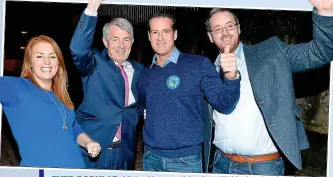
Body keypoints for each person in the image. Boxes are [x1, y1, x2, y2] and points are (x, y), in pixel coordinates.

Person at [205, 0, 333, 175]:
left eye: (230, 26)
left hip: (264, 167)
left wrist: (325, 12)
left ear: (239, 28)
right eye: (217, 29)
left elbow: (320, 52)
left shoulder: (270, 54)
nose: (225, 32)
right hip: (221, 164)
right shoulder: (207, 71)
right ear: (210, 36)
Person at [137, 12, 240, 173]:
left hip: (186, 161)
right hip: (151, 158)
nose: (160, 38)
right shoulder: (144, 73)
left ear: (175, 34)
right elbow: (141, 107)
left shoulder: (198, 65)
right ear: (149, 36)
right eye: (155, 32)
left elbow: (224, 104)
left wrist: (231, 77)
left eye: (166, 31)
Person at [0, 35, 101, 168]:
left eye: (52, 56)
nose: (47, 62)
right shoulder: (16, 88)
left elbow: (72, 128)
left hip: (76, 169)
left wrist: (88, 142)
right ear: (30, 62)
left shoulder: (60, 95)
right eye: (39, 56)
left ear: (58, 62)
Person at [69, 0, 143, 170]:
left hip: (126, 154)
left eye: (126, 39)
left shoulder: (139, 70)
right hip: (95, 152)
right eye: (115, 39)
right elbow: (78, 49)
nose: (121, 45)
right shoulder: (94, 63)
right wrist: (92, 9)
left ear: (132, 42)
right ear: (105, 41)